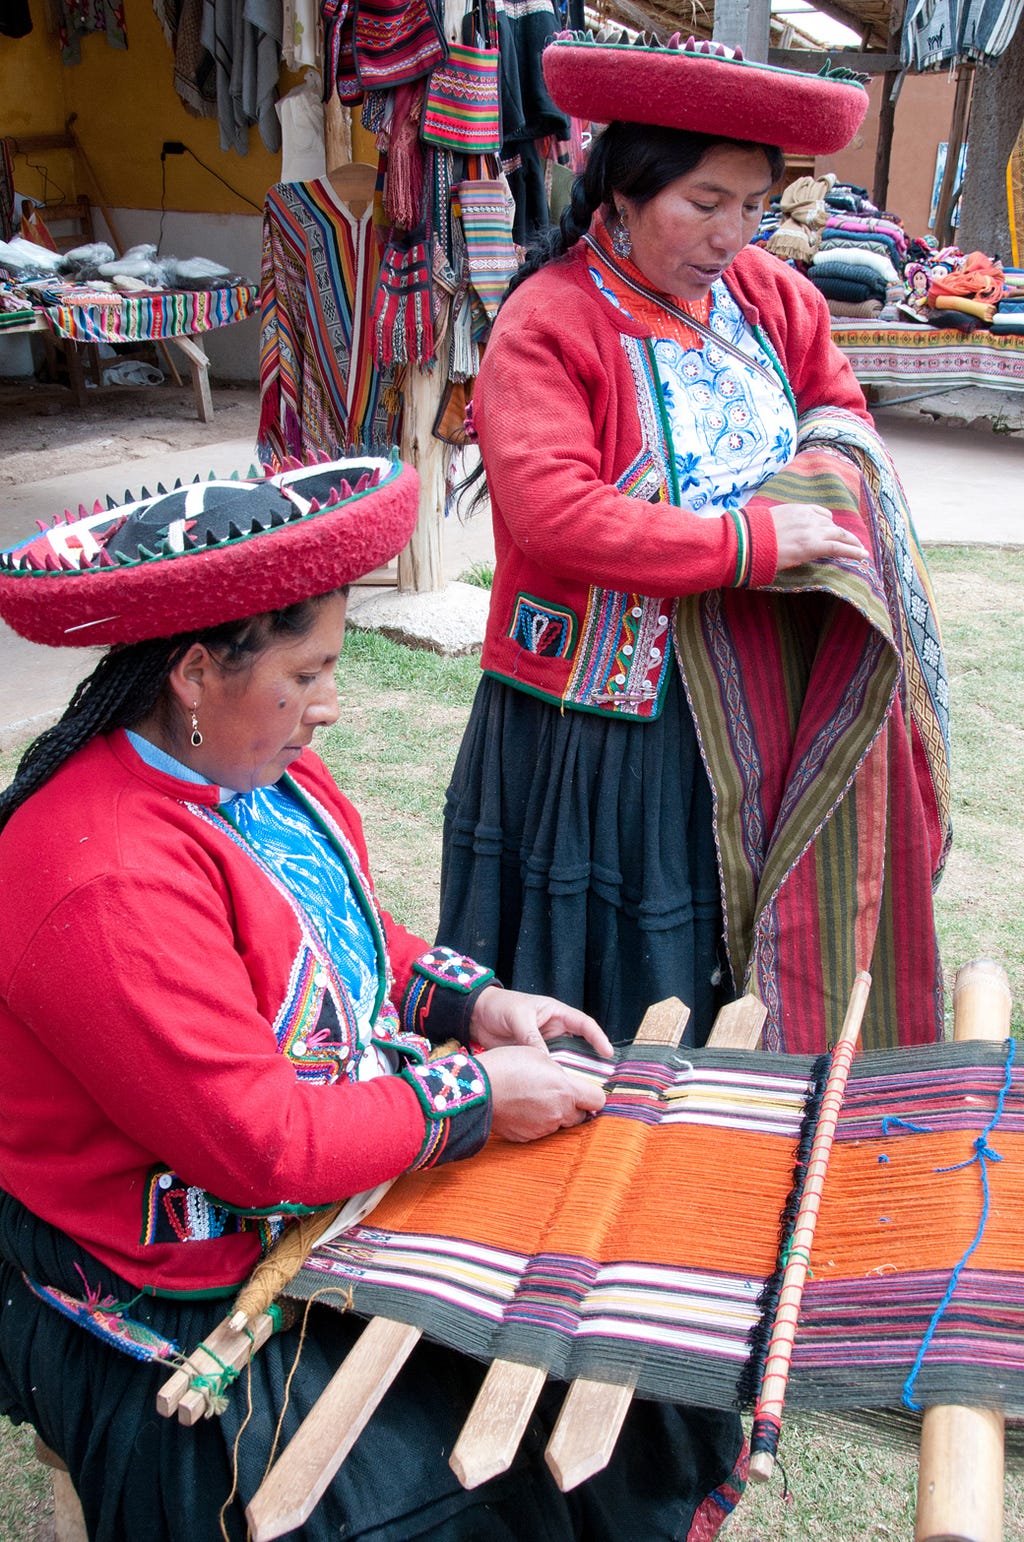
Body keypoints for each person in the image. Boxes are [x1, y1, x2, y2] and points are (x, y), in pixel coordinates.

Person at [0, 455, 745, 1540]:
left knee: (636, 1356)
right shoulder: (101, 876)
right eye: (305, 675)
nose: (329, 708)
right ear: (196, 673)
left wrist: (467, 1008)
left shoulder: (263, 779)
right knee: (403, 1503)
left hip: (326, 1185)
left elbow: (344, 937)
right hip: (175, 1267)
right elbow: (258, 1148)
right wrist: (474, 1100)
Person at [438, 33, 952, 1056]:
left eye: (754, 205)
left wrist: (818, 490)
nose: (733, 232)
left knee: (742, 927)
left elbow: (837, 414)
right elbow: (554, 511)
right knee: (624, 952)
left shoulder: (765, 298)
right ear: (624, 192)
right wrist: (745, 546)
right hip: (610, 718)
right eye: (704, 203)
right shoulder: (549, 322)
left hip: (751, 691)